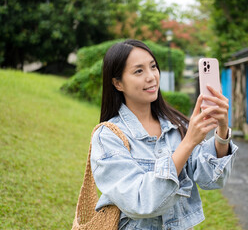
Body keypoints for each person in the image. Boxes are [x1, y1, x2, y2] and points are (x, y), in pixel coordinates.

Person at [91, 39, 238, 230]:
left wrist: (222, 129)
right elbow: (141, 202)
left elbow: (212, 179)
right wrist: (188, 143)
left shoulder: (177, 125)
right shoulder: (108, 137)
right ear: (118, 83)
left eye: (153, 67)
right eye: (139, 71)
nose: (151, 76)